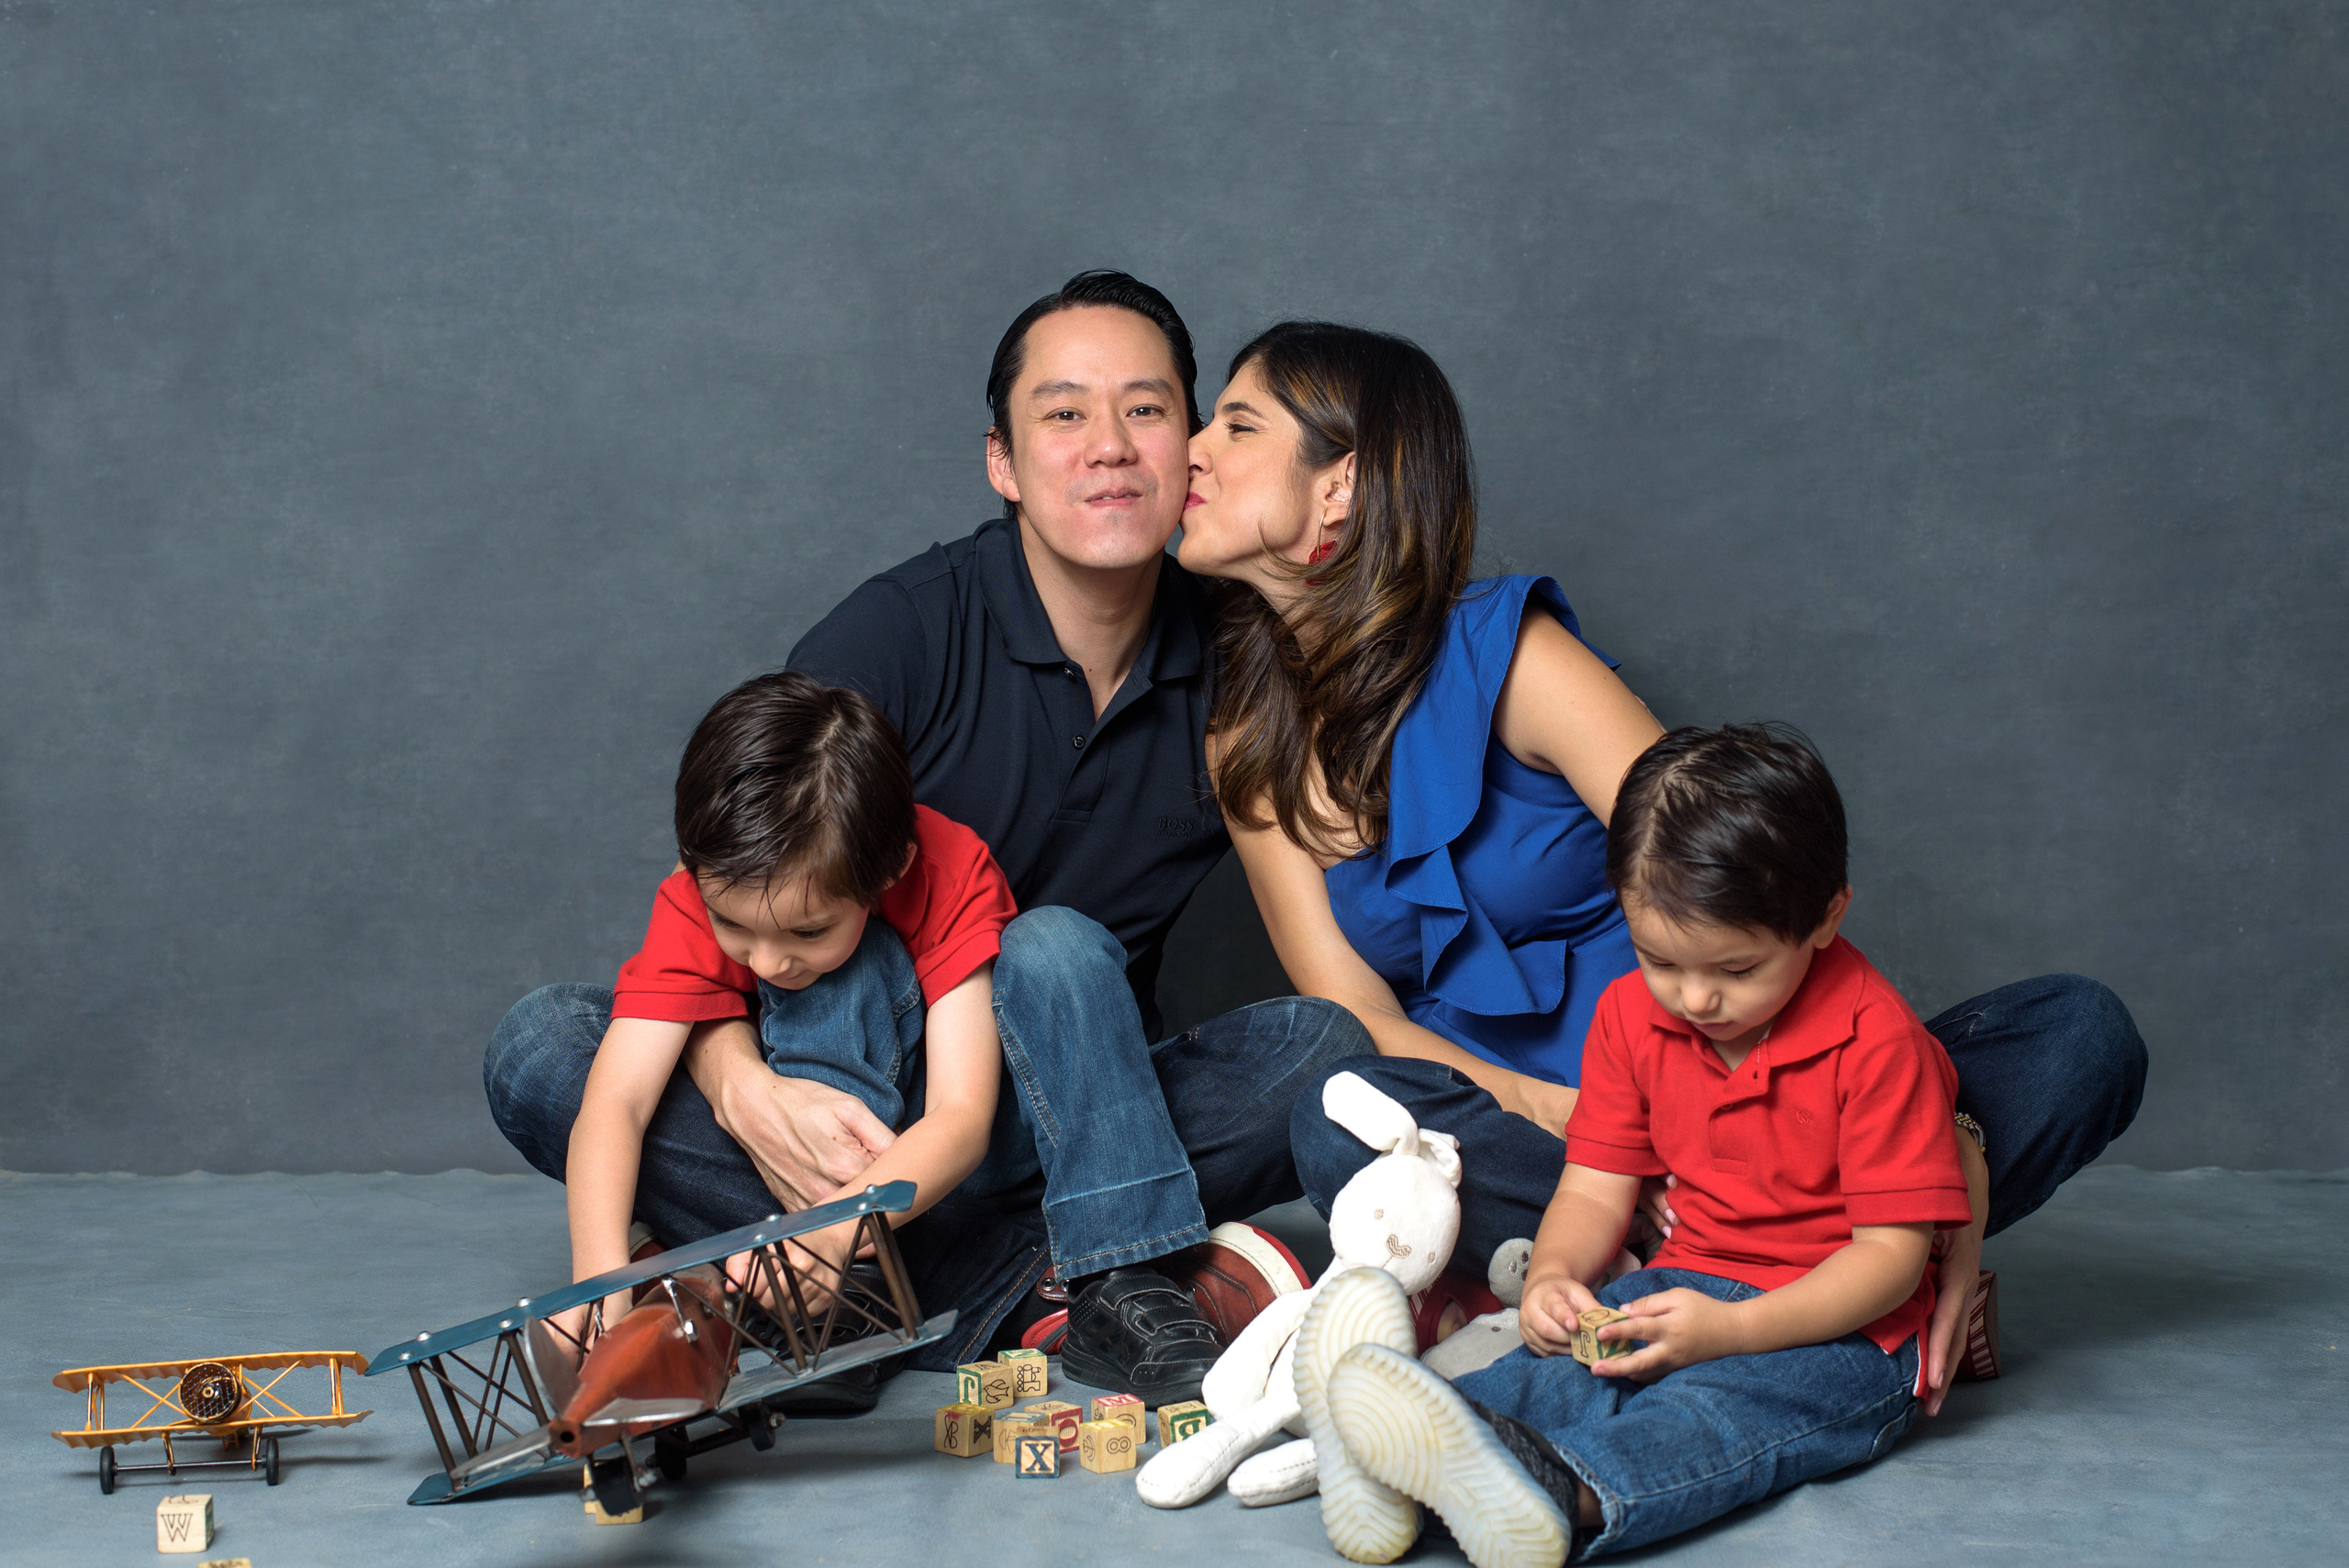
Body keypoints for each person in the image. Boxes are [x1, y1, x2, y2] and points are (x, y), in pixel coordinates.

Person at [1177, 319, 2145, 1414]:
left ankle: (1716, 1284)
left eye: (1236, 424)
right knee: (1333, 1111)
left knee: (2077, 1032)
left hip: (1745, 1089)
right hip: (1535, 1137)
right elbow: (1352, 1013)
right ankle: (1773, 1293)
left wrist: (1945, 1136)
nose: (1193, 449)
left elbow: (1745, 888)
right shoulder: (1244, 739)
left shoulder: (1516, 656)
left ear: (1341, 485)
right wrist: (1580, 1129)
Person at [486, 272, 1374, 1401]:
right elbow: (738, 889)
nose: (1109, 445)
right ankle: (1061, 1283)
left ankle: (858, 1291)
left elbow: (1353, 833)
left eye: (1145, 409)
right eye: (1064, 413)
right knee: (543, 1049)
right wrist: (746, 1089)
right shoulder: (897, 634)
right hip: (832, 1105)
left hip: (1059, 1113)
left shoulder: (1242, 664)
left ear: (1190, 446)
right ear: (1003, 460)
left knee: (1317, 1055)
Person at [1297, 725, 1977, 1565]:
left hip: (1845, 1330)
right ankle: (1394, 1458)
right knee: (1552, 1372)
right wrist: (1554, 1275)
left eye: (1736, 970)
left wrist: (1735, 1330)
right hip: (1680, 1283)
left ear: (1826, 916)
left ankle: (1562, 1495)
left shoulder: (1879, 1042)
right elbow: (1593, 1186)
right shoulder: (1628, 1013)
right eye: (1661, 960)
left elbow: (1889, 1260)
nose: (1696, 998)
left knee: (1718, 1413)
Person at [551, 671, 1014, 1334]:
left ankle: (851, 1277)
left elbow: (962, 1117)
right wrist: (600, 1284)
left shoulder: (948, 869)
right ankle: (868, 1285)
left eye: (807, 931)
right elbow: (617, 1102)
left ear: (892, 870)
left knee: (843, 974)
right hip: (787, 1175)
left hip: (923, 1165)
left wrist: (835, 1233)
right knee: (542, 1048)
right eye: (731, 924)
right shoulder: (703, 885)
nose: (767, 963)